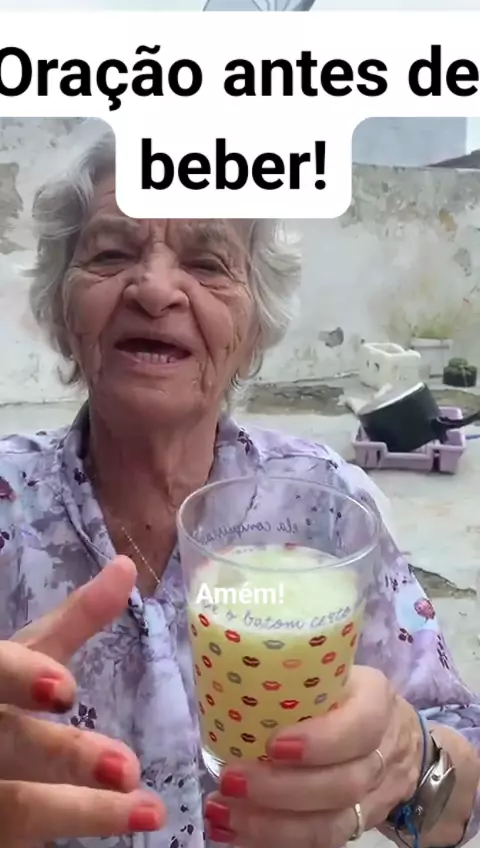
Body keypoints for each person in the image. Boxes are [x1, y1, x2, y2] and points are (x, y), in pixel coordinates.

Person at [0, 130, 478, 848]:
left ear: (254, 330)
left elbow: (463, 783)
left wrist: (411, 766)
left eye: (207, 262)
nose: (155, 289)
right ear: (63, 313)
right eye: (111, 253)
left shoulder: (324, 504)